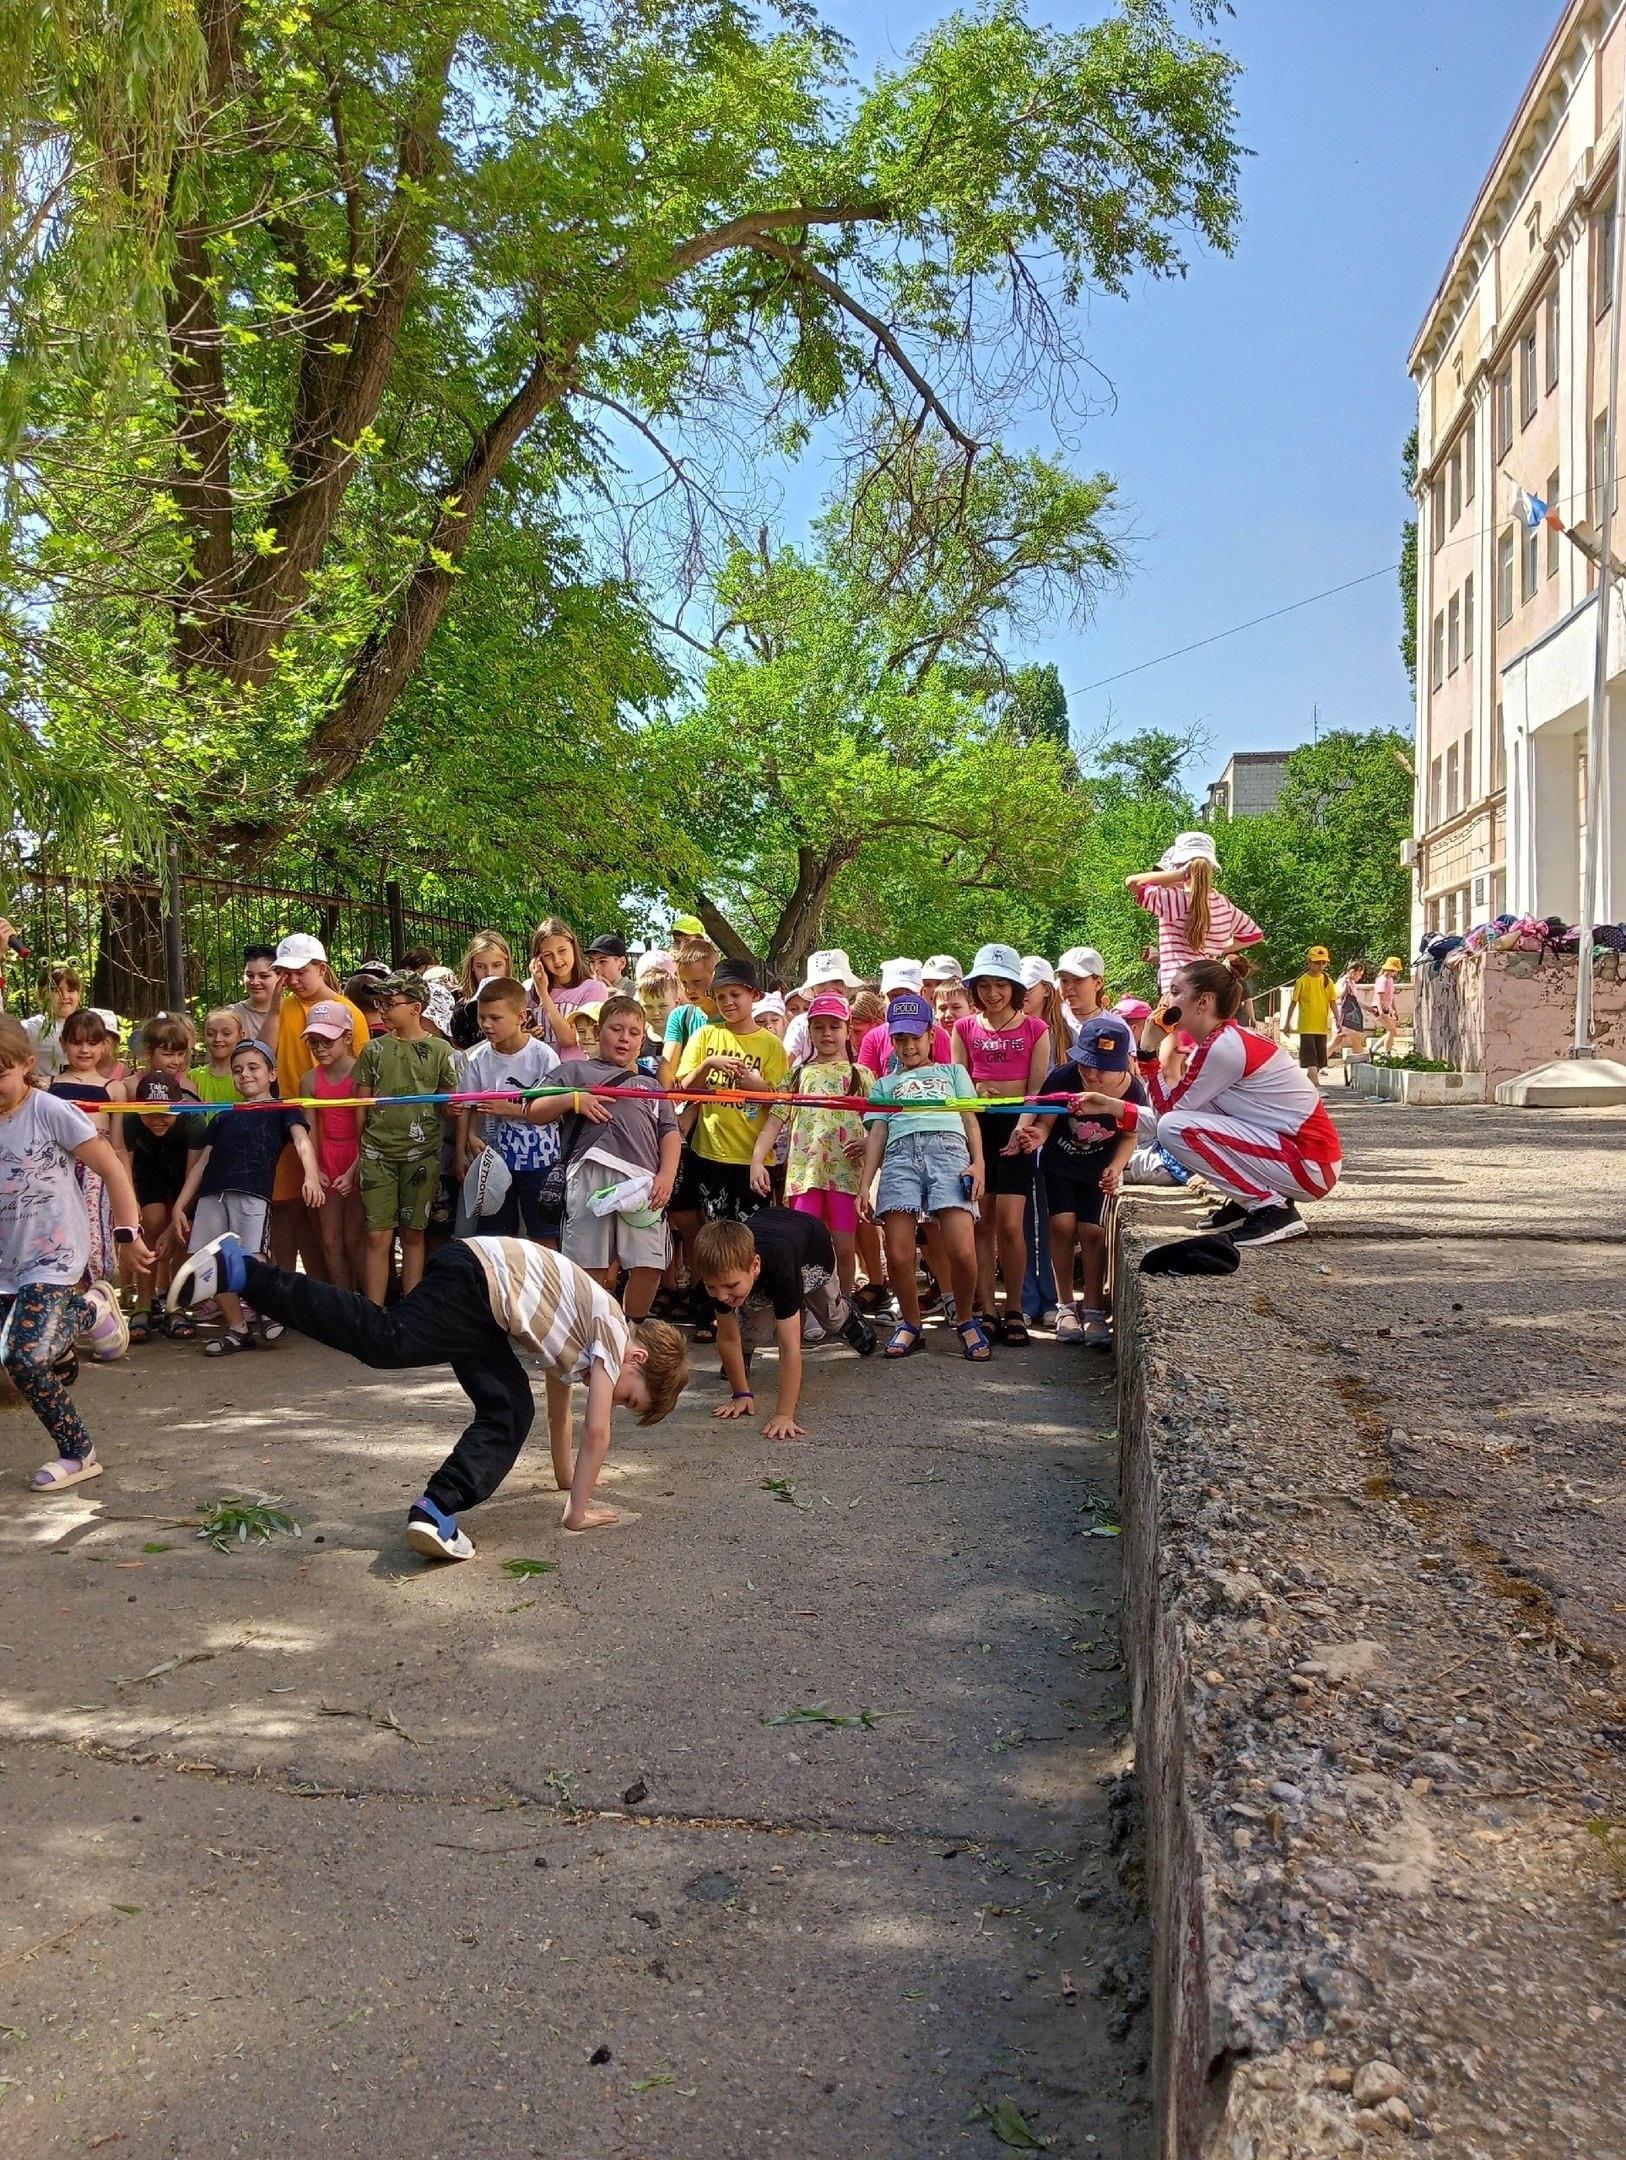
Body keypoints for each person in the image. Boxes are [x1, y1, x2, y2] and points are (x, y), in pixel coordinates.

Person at [171, 1230, 690, 1553]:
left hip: (484, 1296)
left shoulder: (586, 1336)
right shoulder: (615, 1335)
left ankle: (435, 1510)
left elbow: (563, 1415)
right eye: (630, 1397)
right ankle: (244, 1272)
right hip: (477, 1282)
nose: (616, 1402)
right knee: (387, 1340)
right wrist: (578, 1513)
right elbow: (597, 1432)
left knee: (509, 1406)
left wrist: (562, 1478)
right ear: (638, 1360)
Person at [1074, 958, 1342, 1249]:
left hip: (1310, 1164)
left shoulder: (1224, 1048)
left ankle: (1270, 1208)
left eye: (1176, 992)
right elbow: (1177, 1115)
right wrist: (1110, 1106)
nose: (1166, 1000)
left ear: (1204, 1001)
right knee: (1177, 1126)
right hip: (1302, 1158)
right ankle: (1249, 1200)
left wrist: (1147, 1052)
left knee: (1175, 1128)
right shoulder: (1221, 1042)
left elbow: (1170, 1118)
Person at [1, 1015, 152, 1490]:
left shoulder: (50, 1110)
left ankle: (78, 1453)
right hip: (6, 1262)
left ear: (26, 1066)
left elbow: (111, 1169)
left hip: (55, 1256)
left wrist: (127, 1234)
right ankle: (89, 1311)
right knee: (36, 1357)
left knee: (22, 1358)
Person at [168, 1041, 325, 1354]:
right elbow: (203, 1162)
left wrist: (311, 1175)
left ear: (271, 1073)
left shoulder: (283, 1108)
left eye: (253, 1068)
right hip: (213, 1195)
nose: (245, 1075)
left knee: (253, 1258)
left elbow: (301, 1140)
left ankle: (269, 1311)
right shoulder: (226, 1115)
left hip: (253, 1194)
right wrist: (180, 1205)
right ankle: (238, 1329)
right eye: (238, 1070)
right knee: (214, 1262)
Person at [857, 991, 987, 1360]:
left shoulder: (953, 1073)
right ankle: (911, 1324)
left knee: (961, 1250)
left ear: (931, 1035)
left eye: (915, 1036)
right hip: (900, 1158)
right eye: (900, 1038)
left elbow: (969, 1118)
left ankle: (964, 1318)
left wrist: (978, 1163)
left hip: (949, 1153)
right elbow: (877, 1134)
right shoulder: (883, 1084)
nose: (908, 1045)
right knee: (897, 1254)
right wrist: (865, 1184)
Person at [1010, 1013, 1145, 1350]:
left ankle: (1094, 1307)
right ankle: (1065, 1305)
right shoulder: (1064, 1077)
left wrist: (1116, 1167)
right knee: (1061, 1226)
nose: (1092, 1074)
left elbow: (1129, 1137)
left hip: (1098, 1169)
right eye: (1087, 1064)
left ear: (1123, 1064)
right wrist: (1036, 1136)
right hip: (1060, 1164)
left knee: (1093, 1231)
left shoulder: (1133, 1091)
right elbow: (1046, 1122)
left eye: (1102, 1067)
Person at [555, 994, 681, 1320]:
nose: (624, 1037)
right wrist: (574, 1099)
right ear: (598, 1033)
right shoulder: (574, 1071)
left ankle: (630, 1328)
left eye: (634, 1032)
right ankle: (593, 1329)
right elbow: (533, 1108)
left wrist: (666, 1176)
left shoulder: (651, 1085)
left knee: (649, 1263)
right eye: (616, 1029)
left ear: (642, 1040)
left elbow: (669, 1133)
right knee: (589, 1264)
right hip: (588, 1171)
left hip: (642, 1182)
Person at [696, 1211, 875, 1441]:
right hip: (767, 1263)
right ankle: (745, 1353)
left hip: (812, 1254)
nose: (721, 1297)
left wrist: (784, 1414)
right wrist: (741, 1393)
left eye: (730, 1286)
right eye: (712, 1288)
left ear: (755, 1265)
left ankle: (847, 1315)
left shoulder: (780, 1263)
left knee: (830, 1318)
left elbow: (789, 1347)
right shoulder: (720, 1275)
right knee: (753, 1331)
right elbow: (728, 1336)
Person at [952, 943, 1052, 1345]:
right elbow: (958, 1086)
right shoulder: (963, 1028)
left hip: (1018, 1127)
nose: (992, 994)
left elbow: (1037, 1088)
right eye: (985, 986)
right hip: (977, 1127)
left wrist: (1023, 1128)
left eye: (1000, 985)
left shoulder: (1036, 1029)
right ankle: (987, 1309)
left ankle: (1015, 1308)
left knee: (1012, 1224)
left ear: (1014, 987)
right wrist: (976, 1092)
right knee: (983, 1221)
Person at [750, 992, 869, 1301]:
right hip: (805, 1176)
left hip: (846, 1174)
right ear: (809, 1031)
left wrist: (869, 1142)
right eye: (819, 1027)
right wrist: (757, 1160)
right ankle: (809, 1308)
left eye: (834, 1026)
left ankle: (842, 1307)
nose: (827, 1034)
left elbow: (880, 1123)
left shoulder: (863, 1075)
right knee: (805, 1246)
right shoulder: (798, 1074)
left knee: (844, 1246)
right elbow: (775, 1122)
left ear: (847, 1027)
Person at [352, 972, 459, 1302]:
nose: (382, 1009)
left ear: (416, 1007)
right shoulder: (373, 1050)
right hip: (378, 1154)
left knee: (414, 1233)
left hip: (423, 1152)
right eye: (379, 1003)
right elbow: (361, 1104)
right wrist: (362, 1149)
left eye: (390, 1003)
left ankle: (412, 1309)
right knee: (377, 1235)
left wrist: (456, 1110)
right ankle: (373, 1310)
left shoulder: (440, 1050)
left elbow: (448, 1101)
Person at [270, 934, 371, 1277]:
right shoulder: (284, 1007)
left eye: (300, 972)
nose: (293, 980)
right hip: (297, 1119)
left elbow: (362, 1072)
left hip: (341, 1129)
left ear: (321, 969)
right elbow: (269, 1050)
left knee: (353, 1232)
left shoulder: (349, 1014)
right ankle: (323, 1291)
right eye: (286, 973)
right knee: (306, 1212)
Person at [675, 958, 789, 1228]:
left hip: (753, 1159)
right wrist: (709, 1064)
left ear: (754, 995)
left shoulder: (772, 1045)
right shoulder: (704, 1036)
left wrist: (753, 1084)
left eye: (735, 994)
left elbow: (780, 1103)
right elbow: (684, 1090)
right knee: (713, 1230)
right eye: (721, 996)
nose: (727, 1002)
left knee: (750, 1234)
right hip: (708, 1154)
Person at [456, 975, 565, 1243]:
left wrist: (511, 1109)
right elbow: (471, 1106)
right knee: (496, 1235)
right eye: (482, 1018)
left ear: (521, 1016)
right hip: (495, 1158)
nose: (486, 1025)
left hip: (540, 1158)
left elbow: (556, 1108)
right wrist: (469, 1139)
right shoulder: (479, 1058)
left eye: (495, 1018)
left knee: (544, 1234)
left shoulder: (543, 1055)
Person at [123, 1015, 201, 1340]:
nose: (176, 1060)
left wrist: (180, 1212)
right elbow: (122, 1157)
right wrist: (129, 1205)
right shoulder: (129, 1097)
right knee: (152, 1221)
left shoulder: (191, 1100)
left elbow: (197, 1162)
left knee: (180, 1229)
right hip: (147, 1165)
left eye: (180, 1053)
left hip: (183, 1166)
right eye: (167, 1053)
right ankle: (144, 1301)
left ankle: (175, 1302)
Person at [49, 1008, 130, 1296]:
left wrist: (127, 1191)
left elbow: (118, 1146)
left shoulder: (115, 1089)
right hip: (59, 1171)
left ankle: (97, 1305)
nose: (84, 1050)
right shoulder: (49, 1087)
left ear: (103, 1046)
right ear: (63, 1044)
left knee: (96, 1238)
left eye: (92, 1043)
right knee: (59, 1236)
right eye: (76, 1042)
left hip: (98, 1175)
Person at [1127, 832, 1263, 992]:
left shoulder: (1174, 901)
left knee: (1155, 1019)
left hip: (1178, 990)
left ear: (1178, 865)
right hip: (1209, 989)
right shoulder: (1223, 904)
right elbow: (1253, 935)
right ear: (1211, 868)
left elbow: (1132, 882)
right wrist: (1219, 949)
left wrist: (1180, 874)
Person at [299, 1000, 367, 1291]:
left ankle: (366, 1302)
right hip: (328, 1157)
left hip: (358, 1156)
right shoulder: (310, 1080)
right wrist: (314, 1168)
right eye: (314, 1042)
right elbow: (310, 1129)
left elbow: (369, 1129)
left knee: (356, 1239)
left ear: (347, 1037)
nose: (320, 1049)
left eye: (327, 1041)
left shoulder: (361, 1077)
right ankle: (342, 1302)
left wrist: (354, 1170)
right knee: (330, 1240)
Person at [856, 961, 952, 1075]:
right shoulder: (873, 1038)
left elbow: (946, 1076)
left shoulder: (938, 1035)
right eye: (894, 996)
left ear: (923, 993)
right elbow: (865, 1083)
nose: (903, 1000)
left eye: (910, 994)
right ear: (882, 996)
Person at [524, 917, 600, 1049]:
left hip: (573, 1068)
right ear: (538, 959)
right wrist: (525, 1037)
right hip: (539, 1068)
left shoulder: (593, 989)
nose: (557, 960)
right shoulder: (528, 990)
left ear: (573, 947)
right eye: (548, 955)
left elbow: (569, 1039)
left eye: (562, 950)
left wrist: (543, 993)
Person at [783, 948, 861, 1063]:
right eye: (821, 983)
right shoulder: (801, 1023)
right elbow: (785, 1062)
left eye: (836, 981)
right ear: (813, 989)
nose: (829, 988)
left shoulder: (860, 1021)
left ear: (847, 986)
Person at [450, 931, 515, 1050]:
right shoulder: (463, 1011)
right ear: (472, 967)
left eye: (496, 965)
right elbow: (462, 1061)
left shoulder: (521, 999)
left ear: (506, 965)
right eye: (481, 966)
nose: (489, 973)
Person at [1284, 945, 1336, 1086]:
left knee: (1320, 1056)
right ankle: (1314, 1081)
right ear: (1309, 962)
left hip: (1321, 1025)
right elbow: (1293, 1003)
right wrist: (1287, 1023)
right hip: (1307, 1024)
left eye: (1323, 963)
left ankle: (1310, 1077)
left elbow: (1333, 1002)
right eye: (1317, 962)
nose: (1320, 966)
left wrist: (1338, 1019)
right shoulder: (1302, 981)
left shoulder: (1327, 981)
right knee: (1310, 1054)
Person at [22, 964, 86, 1079]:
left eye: (71, 990)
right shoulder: (31, 1027)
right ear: (42, 995)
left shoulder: (89, 1024)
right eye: (56, 991)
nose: (64, 996)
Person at [189, 1007, 245, 1126]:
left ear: (241, 1036)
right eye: (210, 1034)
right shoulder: (191, 1077)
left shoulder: (246, 1078)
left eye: (226, 1034)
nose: (218, 1039)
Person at [232, 945, 283, 1051]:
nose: (255, 982)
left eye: (264, 976)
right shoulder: (231, 1014)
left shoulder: (294, 1009)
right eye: (250, 975)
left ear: (281, 977)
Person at [1057, 947, 1108, 1035]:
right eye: (1064, 980)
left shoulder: (1115, 1028)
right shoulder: (1048, 1020)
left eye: (1077, 980)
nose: (1069, 987)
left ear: (1098, 983)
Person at [1329, 960, 1371, 1059]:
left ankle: (1319, 1063)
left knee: (1336, 1041)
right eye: (1359, 974)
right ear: (1353, 972)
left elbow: (1353, 1000)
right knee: (1355, 1039)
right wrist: (1346, 986)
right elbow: (1338, 996)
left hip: (1345, 1015)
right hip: (1342, 1015)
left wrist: (1368, 1008)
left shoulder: (1351, 982)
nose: (1360, 977)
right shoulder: (1343, 981)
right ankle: (1360, 1062)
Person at [1373, 955, 1404, 1053]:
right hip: (1381, 1008)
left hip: (1387, 1008)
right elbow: (1379, 996)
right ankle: (1383, 1051)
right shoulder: (1382, 980)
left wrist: (1394, 1009)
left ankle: (1380, 1049)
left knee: (1391, 1031)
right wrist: (1381, 1011)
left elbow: (1391, 996)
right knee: (1392, 1031)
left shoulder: (1390, 980)